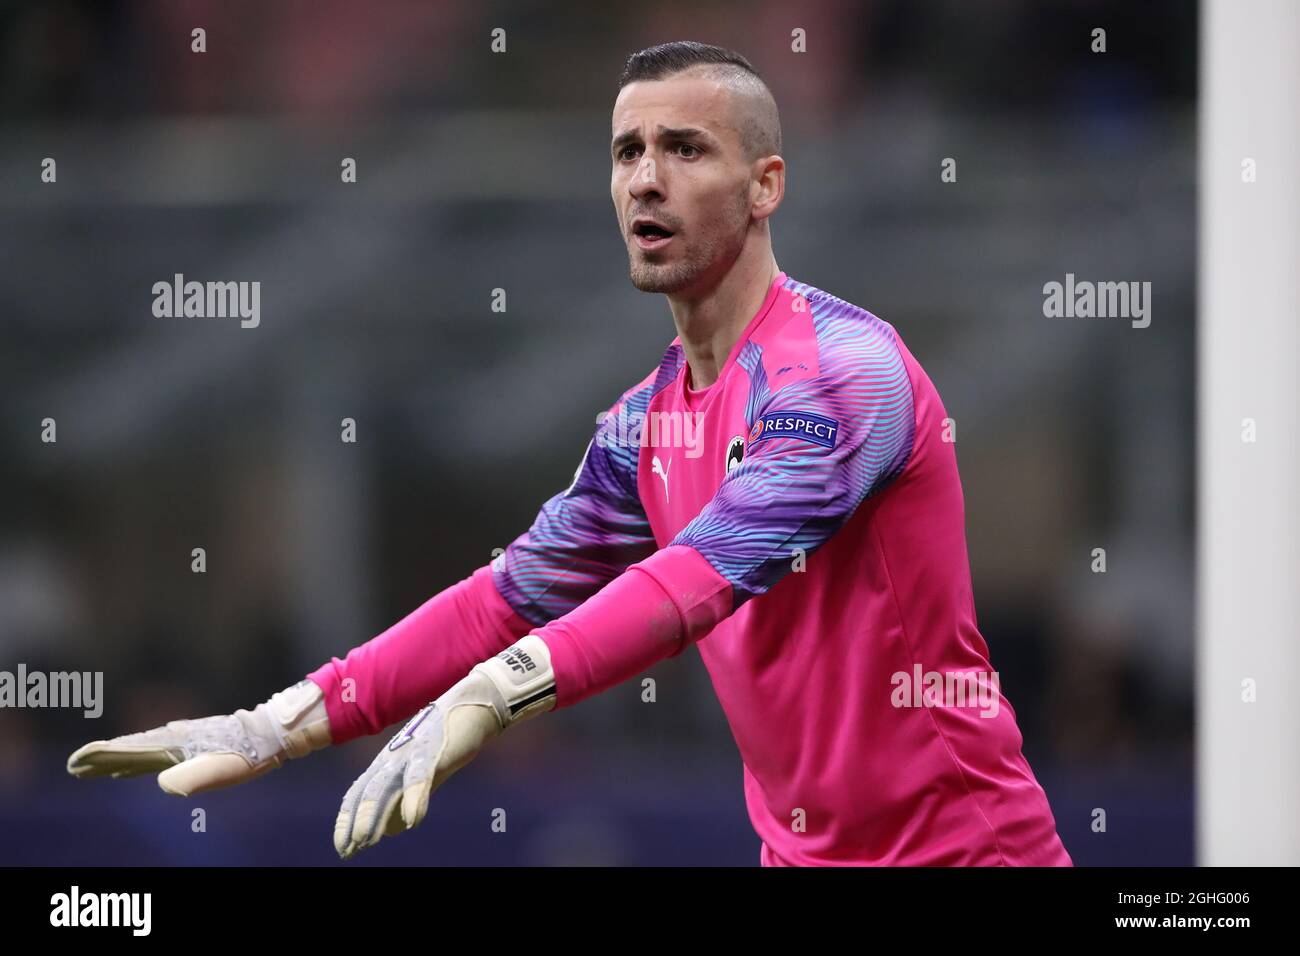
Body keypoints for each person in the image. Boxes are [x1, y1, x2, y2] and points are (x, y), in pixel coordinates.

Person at [69, 40, 1071, 867]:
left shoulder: (844, 372)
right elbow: (507, 592)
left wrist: (498, 692)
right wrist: (276, 723)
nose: (645, 176)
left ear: (766, 185)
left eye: (684, 148)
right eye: (627, 149)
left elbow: (698, 576)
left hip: (965, 853)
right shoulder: (646, 420)